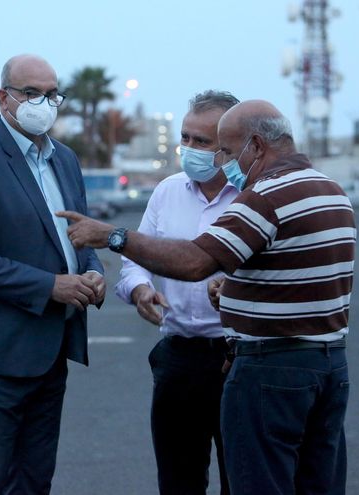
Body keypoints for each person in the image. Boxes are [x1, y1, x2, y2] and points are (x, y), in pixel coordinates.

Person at [59, 100, 355, 495]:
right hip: (325, 364)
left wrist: (114, 236)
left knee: (257, 482)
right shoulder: (331, 191)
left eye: (225, 151)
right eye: (186, 138)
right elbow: (294, 275)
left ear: (256, 146)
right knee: (313, 482)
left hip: (268, 367)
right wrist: (233, 292)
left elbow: (196, 261)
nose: (218, 160)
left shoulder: (264, 195)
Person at [0, 54, 105, 494]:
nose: (42, 103)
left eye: (51, 94)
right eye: (31, 93)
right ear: (3, 98)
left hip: (51, 348)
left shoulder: (65, 160)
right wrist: (52, 286)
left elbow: (79, 235)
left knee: (34, 478)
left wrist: (92, 271)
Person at [115, 90, 239, 495]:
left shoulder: (254, 196)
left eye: (201, 141)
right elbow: (136, 256)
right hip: (179, 358)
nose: (188, 148)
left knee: (243, 480)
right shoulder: (167, 191)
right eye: (185, 137)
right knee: (177, 482)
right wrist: (139, 289)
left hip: (238, 361)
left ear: (229, 146)